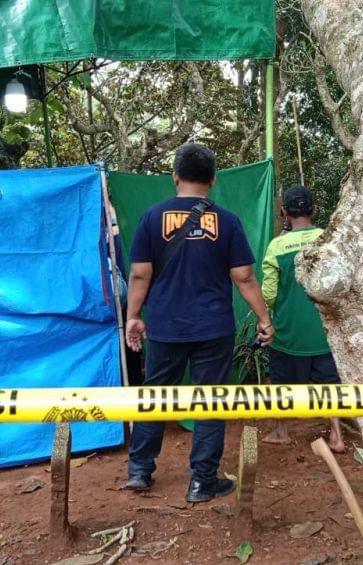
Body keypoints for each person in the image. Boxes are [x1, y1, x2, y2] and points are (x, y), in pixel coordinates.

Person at [123, 143, 275, 503]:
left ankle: (140, 470)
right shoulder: (227, 221)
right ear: (213, 179)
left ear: (175, 176)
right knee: (211, 399)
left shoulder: (151, 218)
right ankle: (201, 481)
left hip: (165, 326)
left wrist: (133, 317)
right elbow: (244, 277)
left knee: (155, 396)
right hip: (213, 327)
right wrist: (264, 319)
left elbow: (140, 274)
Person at [260, 185, 345, 453]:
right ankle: (337, 435)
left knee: (282, 383)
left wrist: (281, 308)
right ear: (313, 210)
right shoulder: (327, 240)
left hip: (288, 331)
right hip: (324, 330)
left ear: (284, 212)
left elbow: (269, 293)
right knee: (330, 383)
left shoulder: (277, 246)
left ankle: (281, 431)